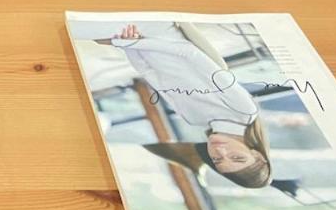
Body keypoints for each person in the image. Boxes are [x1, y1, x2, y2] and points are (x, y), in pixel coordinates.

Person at [98, 22, 271, 189]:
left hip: (138, 40)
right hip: (161, 34)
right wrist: (130, 43)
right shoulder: (244, 110)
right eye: (237, 157)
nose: (220, 152)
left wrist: (127, 45)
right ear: (257, 154)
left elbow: (149, 73)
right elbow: (189, 52)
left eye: (217, 160)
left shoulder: (193, 119)